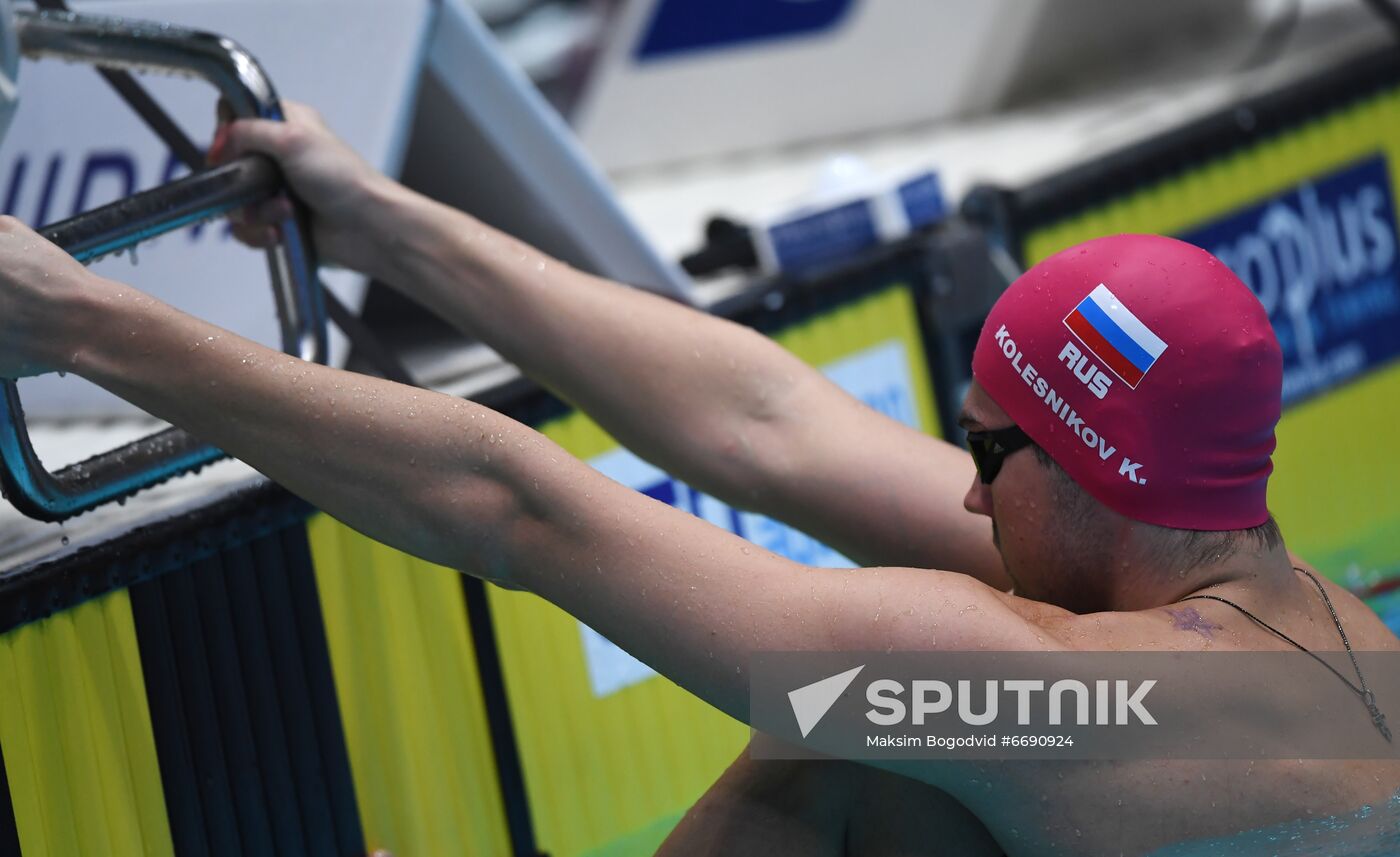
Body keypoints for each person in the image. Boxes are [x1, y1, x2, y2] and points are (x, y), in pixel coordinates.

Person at [0, 102, 1394, 856]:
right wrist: (384, 224)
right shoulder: (1312, 638)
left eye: (986, 452)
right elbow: (766, 418)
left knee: (830, 751)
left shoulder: (1054, 699)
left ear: (1101, 468)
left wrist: (82, 322)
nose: (967, 496)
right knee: (859, 768)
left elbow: (517, 505)